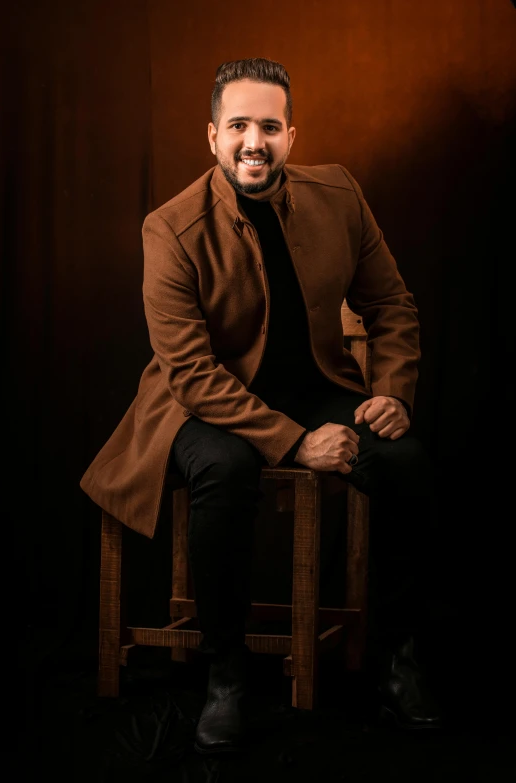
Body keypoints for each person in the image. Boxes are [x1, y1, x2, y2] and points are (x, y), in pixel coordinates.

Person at [80, 57, 442, 755]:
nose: (255, 142)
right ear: (212, 136)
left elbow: (391, 303)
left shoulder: (338, 194)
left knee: (407, 463)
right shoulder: (170, 226)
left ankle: (399, 660)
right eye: (239, 126)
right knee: (225, 469)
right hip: (200, 404)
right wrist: (296, 441)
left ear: (291, 135)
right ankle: (225, 673)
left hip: (315, 387)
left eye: (269, 127)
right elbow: (190, 369)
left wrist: (392, 393)